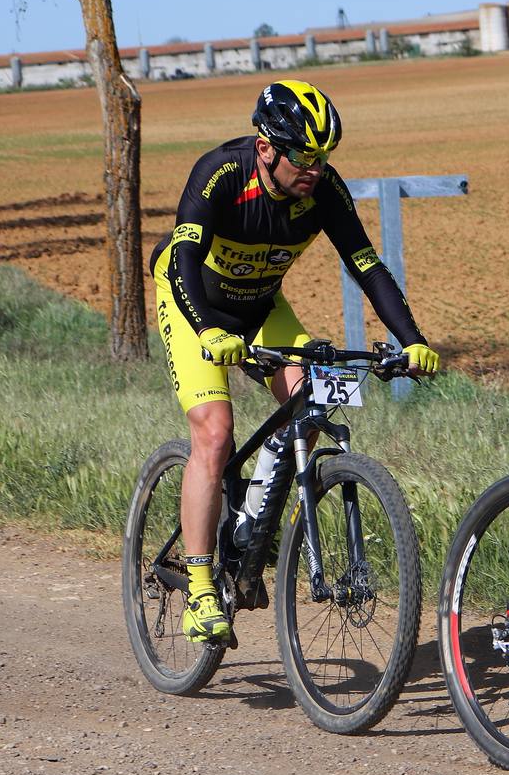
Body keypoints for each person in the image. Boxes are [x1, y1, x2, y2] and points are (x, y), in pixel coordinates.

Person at [150, 79, 439, 643]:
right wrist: (208, 330)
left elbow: (367, 265)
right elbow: (184, 256)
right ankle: (202, 584)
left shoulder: (323, 189)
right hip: (193, 305)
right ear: (265, 148)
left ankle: (257, 527)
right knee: (214, 432)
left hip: (260, 305)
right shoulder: (222, 173)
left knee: (314, 395)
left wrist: (411, 339)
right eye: (303, 156)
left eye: (323, 157)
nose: (314, 168)